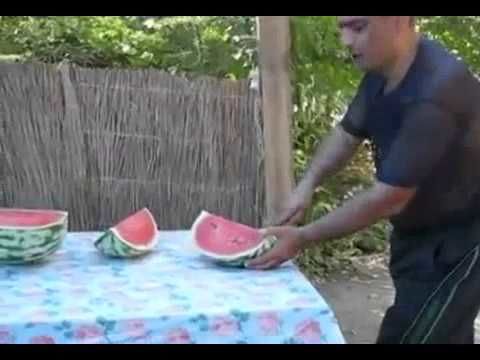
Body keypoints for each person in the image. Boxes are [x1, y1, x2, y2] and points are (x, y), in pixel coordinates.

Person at [247, 16, 480, 344]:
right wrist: (307, 184)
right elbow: (346, 133)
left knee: (410, 335)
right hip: (416, 239)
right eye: (341, 28)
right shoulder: (379, 75)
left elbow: (389, 196)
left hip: (462, 243)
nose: (345, 40)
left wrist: (302, 237)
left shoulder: (437, 90)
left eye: (358, 27)